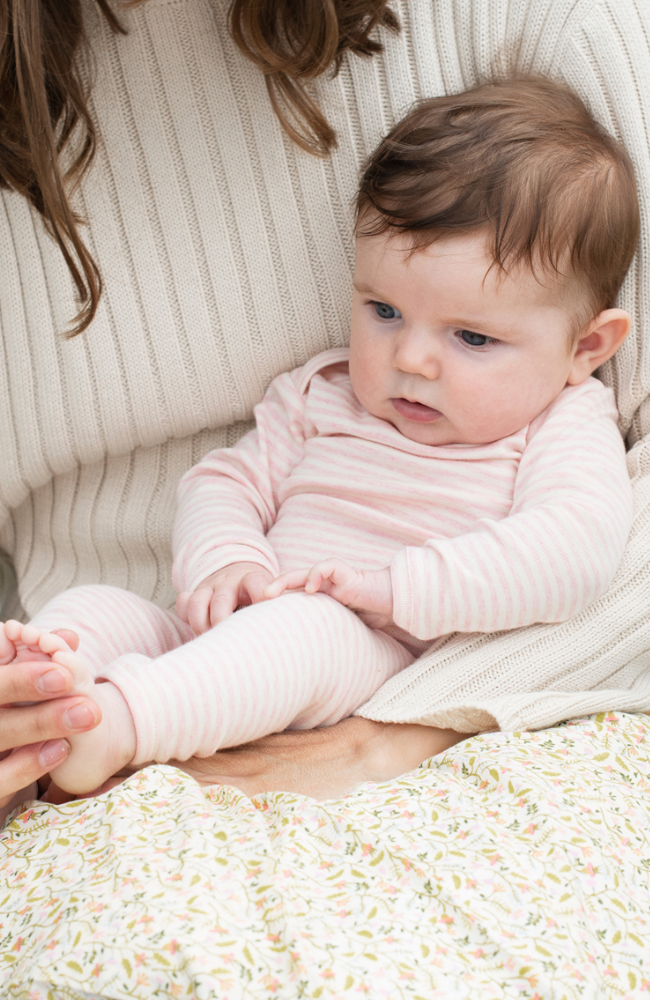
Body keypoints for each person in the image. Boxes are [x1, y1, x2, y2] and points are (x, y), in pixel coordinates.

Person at [3, 0, 650, 819]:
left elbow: (574, 552)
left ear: (588, 347)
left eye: (473, 338)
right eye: (383, 310)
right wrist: (224, 561)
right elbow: (223, 481)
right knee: (94, 609)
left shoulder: (563, 423)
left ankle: (117, 728)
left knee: (299, 636)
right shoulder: (323, 389)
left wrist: (397, 589)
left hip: (371, 650)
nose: (410, 359)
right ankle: (48, 693)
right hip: (225, 623)